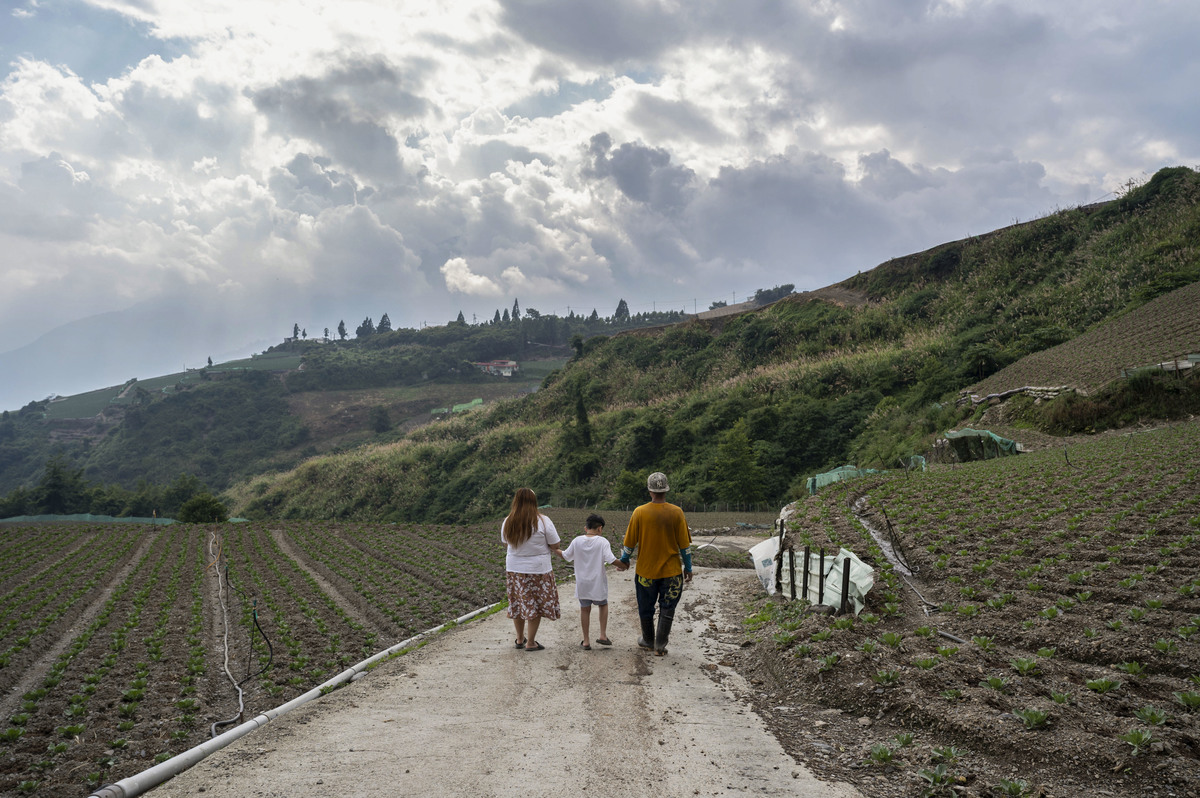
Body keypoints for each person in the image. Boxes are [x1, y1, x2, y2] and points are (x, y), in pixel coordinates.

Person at [619, 472, 692, 656]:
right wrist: (689, 568)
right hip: (672, 572)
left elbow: (629, 544)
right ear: (666, 489)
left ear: (650, 490)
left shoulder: (639, 512)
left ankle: (648, 640)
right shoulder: (677, 512)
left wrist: (625, 561)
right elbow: (684, 545)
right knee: (667, 607)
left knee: (646, 607)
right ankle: (660, 644)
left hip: (646, 572)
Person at [501, 487, 562, 651]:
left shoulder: (508, 521)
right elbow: (555, 544)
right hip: (538, 570)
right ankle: (531, 642)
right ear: (534, 502)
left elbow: (507, 543)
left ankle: (520, 639)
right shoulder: (543, 521)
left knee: (519, 603)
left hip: (514, 569)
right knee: (535, 604)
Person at [560, 514, 628, 650]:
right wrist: (623, 565)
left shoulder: (576, 541)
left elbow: (566, 556)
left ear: (586, 528)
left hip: (582, 583)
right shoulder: (602, 542)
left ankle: (586, 641)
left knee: (585, 609)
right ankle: (602, 635)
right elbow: (610, 559)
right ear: (600, 528)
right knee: (603, 605)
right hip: (597, 582)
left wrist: (554, 549)